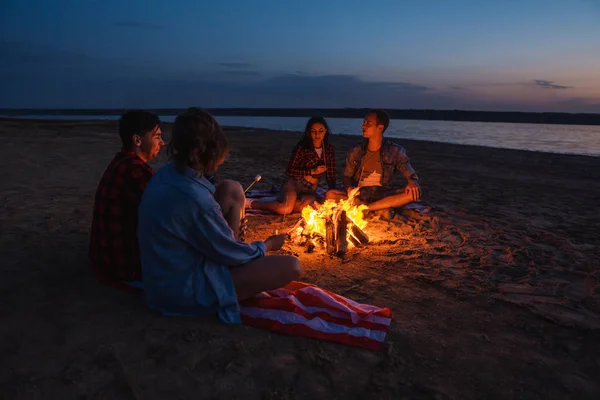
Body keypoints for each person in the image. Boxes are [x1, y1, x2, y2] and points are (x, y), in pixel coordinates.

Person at [137, 107, 301, 323]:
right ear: (198, 152)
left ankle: (237, 266)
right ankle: (232, 281)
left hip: (165, 276)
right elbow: (228, 250)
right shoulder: (193, 197)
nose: (218, 162)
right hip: (181, 292)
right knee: (292, 266)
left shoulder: (169, 172)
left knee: (232, 189)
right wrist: (268, 245)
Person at [89, 110, 164, 290]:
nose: (162, 142)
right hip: (123, 267)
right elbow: (163, 217)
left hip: (104, 260)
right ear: (137, 140)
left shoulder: (122, 162)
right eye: (157, 137)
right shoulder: (134, 171)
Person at [326, 109, 422, 213]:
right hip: (359, 193)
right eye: (364, 122)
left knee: (414, 193)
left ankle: (366, 208)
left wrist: (413, 181)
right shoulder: (356, 150)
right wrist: (349, 189)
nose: (363, 126)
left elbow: (408, 170)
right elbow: (347, 177)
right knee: (330, 195)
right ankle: (379, 207)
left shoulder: (394, 150)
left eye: (368, 123)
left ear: (380, 128)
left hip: (382, 193)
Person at [246, 116, 337, 215]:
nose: (317, 134)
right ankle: (252, 203)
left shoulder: (329, 149)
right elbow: (289, 170)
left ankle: (280, 200)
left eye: (320, 131)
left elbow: (330, 174)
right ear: (309, 132)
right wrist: (312, 171)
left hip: (310, 189)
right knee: (286, 209)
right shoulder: (302, 147)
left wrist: (332, 191)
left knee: (312, 208)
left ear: (325, 131)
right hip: (294, 184)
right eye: (313, 131)